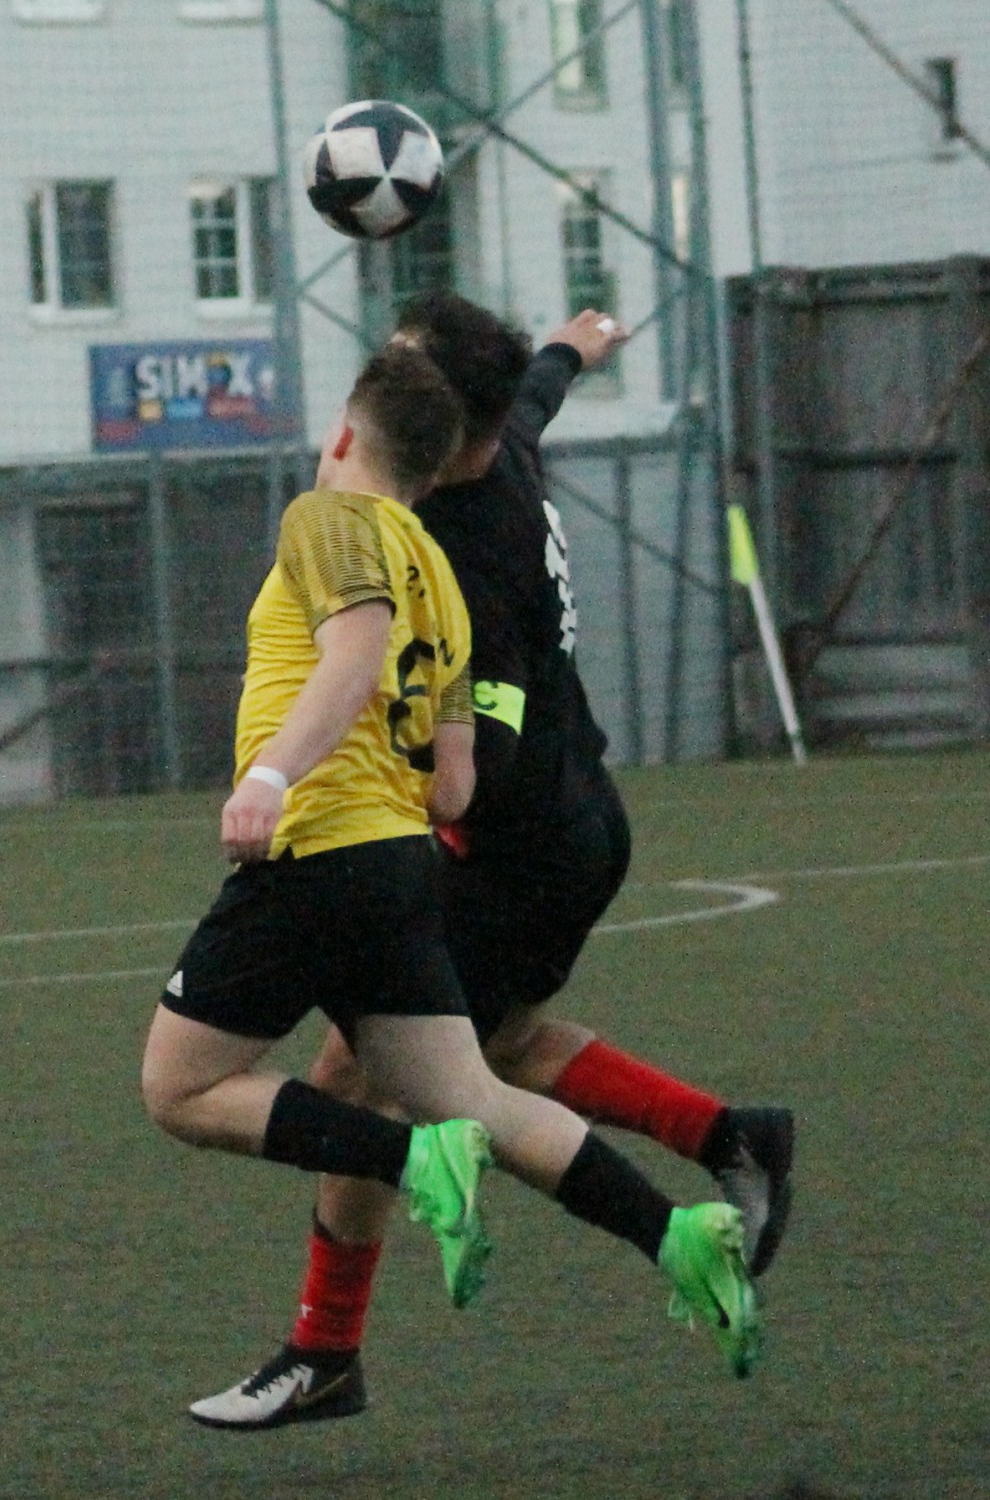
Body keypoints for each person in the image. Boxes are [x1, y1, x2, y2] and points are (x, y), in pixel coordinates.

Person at [174, 311, 770, 1432]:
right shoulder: (444, 550)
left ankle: (357, 1289)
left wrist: (276, 773)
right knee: (477, 1083)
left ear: (355, 437)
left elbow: (386, 687)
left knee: (190, 1087)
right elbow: (450, 785)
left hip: (408, 850)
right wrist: (572, 346)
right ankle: (681, 1229)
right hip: (454, 846)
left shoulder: (356, 530)